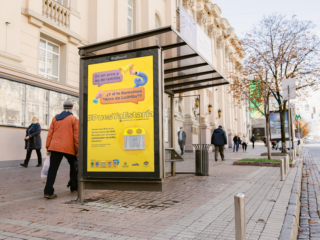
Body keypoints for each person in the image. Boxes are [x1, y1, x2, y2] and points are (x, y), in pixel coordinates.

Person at [44, 100, 79, 199]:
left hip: (55, 147)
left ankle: (48, 191)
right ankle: (74, 186)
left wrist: (48, 147)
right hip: (69, 148)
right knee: (74, 165)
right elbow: (76, 137)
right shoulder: (74, 119)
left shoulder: (55, 118)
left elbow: (50, 134)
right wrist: (78, 151)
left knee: (53, 169)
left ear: (63, 107)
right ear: (72, 108)